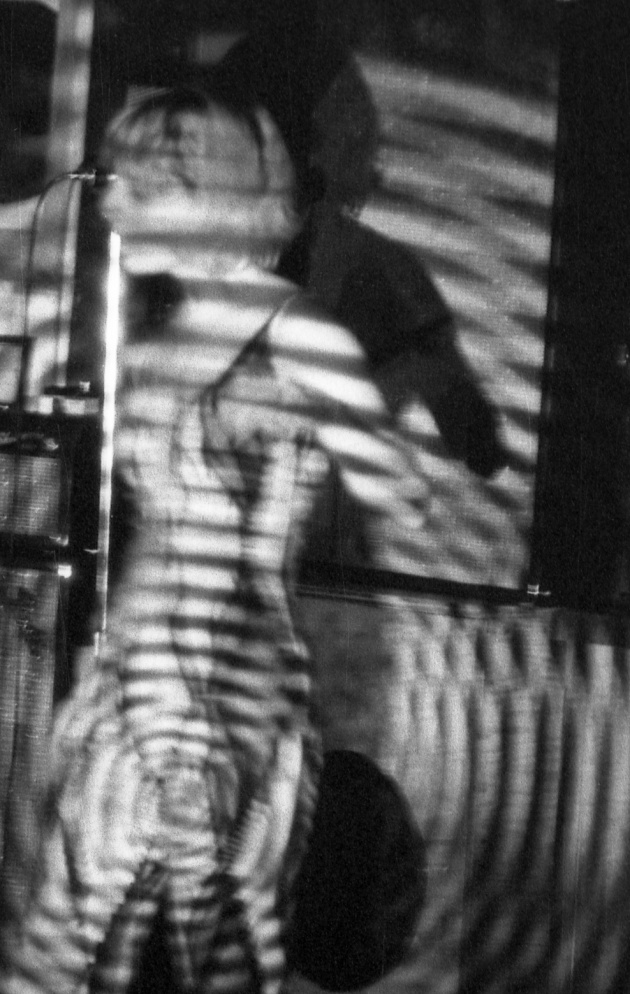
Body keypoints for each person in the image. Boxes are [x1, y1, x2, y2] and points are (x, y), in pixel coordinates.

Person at [0, 85, 426, 994]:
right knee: (76, 949)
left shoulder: (295, 331)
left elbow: (402, 488)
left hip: (224, 689)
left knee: (215, 946)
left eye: (141, 187)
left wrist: (303, 435)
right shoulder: (155, 336)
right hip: (130, 681)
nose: (113, 205)